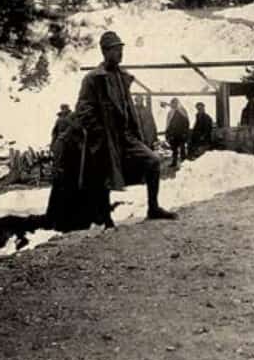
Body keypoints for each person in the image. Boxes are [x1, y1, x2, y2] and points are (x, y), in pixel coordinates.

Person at [69, 30, 176, 221]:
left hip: (126, 136)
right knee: (104, 176)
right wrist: (99, 132)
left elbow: (127, 107)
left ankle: (153, 208)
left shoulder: (123, 77)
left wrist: (135, 131)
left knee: (152, 161)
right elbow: (83, 110)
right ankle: (106, 219)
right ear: (105, 51)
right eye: (115, 49)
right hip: (106, 138)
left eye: (121, 49)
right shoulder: (93, 78)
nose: (120, 53)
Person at [164, 97, 190, 167]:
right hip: (173, 134)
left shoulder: (182, 111)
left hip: (181, 133)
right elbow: (168, 123)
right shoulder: (170, 112)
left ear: (177, 103)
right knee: (174, 149)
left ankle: (184, 163)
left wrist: (185, 132)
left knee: (182, 149)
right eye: (173, 103)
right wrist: (168, 133)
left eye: (175, 103)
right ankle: (174, 162)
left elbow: (186, 122)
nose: (174, 104)